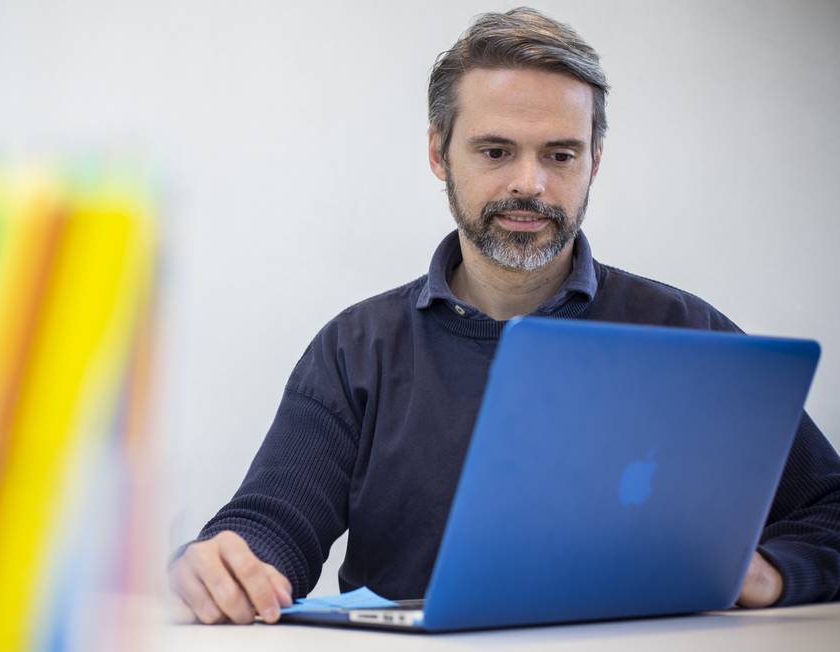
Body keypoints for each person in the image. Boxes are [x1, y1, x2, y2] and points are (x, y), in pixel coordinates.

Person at [168, 7, 840, 625]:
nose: (530, 184)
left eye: (560, 154)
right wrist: (223, 562)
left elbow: (830, 508)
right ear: (440, 153)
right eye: (495, 152)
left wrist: (773, 570)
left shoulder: (685, 334)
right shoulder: (357, 347)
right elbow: (271, 527)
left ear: (594, 162)